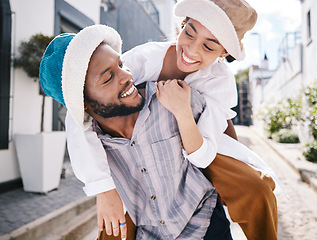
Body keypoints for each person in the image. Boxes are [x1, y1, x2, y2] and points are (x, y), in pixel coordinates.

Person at [65, 0, 283, 239]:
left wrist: (182, 112)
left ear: (224, 54)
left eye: (209, 47)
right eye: (189, 33)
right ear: (182, 25)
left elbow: (207, 150)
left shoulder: (219, 82)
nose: (192, 51)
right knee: (117, 223)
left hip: (201, 139)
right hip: (141, 142)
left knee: (256, 188)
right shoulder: (143, 60)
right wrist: (103, 189)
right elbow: (80, 111)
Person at [39, 24, 233, 240]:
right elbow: (76, 127)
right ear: (83, 103)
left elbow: (226, 136)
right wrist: (103, 189)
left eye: (121, 64)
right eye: (107, 78)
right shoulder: (92, 149)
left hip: (206, 224)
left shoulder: (174, 98)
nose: (127, 75)